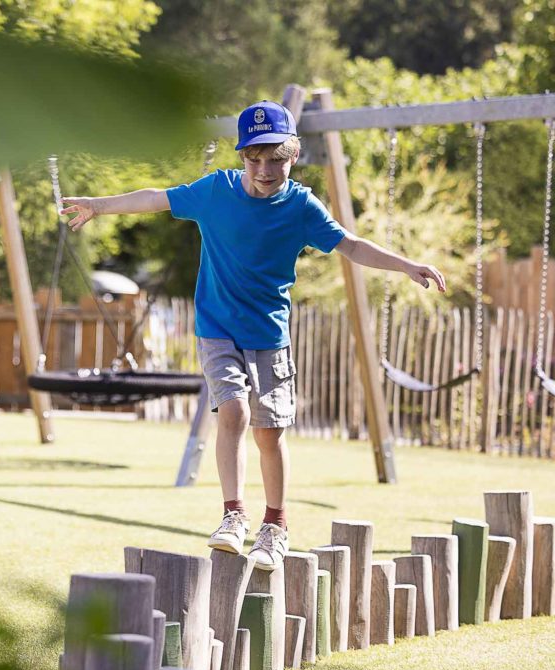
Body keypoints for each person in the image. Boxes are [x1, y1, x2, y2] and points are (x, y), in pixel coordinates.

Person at [61, 100, 445, 571]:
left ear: (294, 154)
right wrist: (98, 207)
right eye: (254, 157)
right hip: (218, 330)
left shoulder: (301, 206)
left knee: (270, 433)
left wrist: (407, 265)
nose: (264, 169)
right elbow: (156, 197)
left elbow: (350, 245)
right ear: (241, 155)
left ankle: (275, 526)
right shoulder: (216, 191)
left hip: (269, 335)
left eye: (276, 159)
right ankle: (233, 516)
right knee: (234, 412)